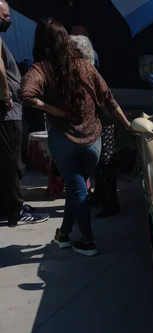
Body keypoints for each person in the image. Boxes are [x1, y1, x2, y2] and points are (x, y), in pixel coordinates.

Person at [19, 18, 131, 256]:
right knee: (77, 187)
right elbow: (110, 100)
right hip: (93, 140)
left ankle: (88, 242)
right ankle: (64, 233)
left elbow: (26, 94)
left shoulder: (40, 69)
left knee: (76, 188)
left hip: (64, 141)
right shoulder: (85, 66)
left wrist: (53, 109)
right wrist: (128, 125)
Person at [0, 0, 49, 227]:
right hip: (8, 112)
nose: (8, 20)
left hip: (11, 110)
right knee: (13, 163)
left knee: (9, 161)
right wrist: (6, 95)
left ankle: (9, 206)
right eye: (4, 16)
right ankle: (16, 210)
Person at [71, 34, 120, 218]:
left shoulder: (90, 73)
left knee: (106, 163)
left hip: (103, 124)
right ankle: (100, 197)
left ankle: (111, 204)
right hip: (94, 124)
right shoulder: (80, 72)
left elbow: (107, 103)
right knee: (98, 164)